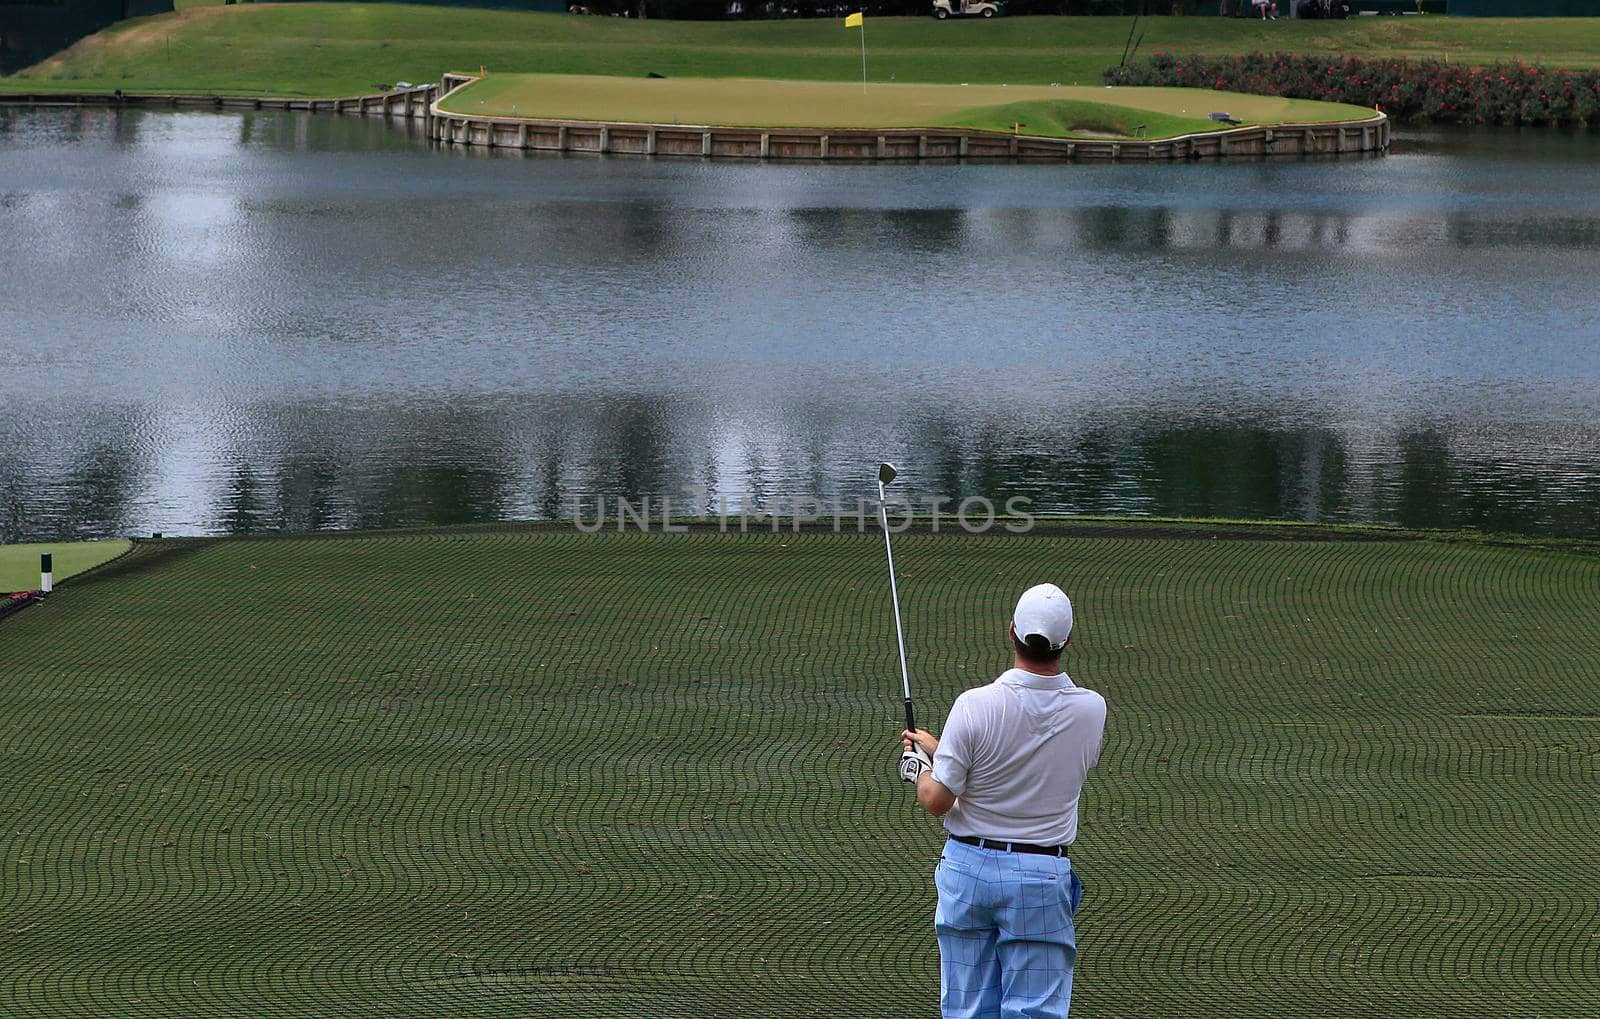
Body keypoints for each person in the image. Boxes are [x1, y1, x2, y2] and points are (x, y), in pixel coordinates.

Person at [899, 583, 1107, 1019]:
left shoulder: (975, 705)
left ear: (1011, 631)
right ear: (1065, 642)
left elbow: (937, 799)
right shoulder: (1092, 709)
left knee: (967, 1010)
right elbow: (1031, 759)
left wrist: (920, 767)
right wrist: (945, 750)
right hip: (1040, 875)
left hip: (968, 872)